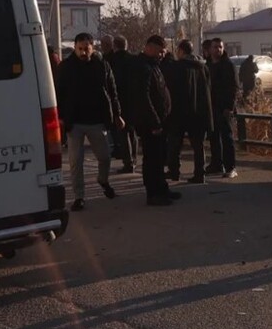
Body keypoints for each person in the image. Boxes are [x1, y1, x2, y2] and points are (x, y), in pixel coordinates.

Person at [57, 33, 123, 211]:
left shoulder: (102, 66)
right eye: (80, 48)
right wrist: (61, 116)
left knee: (104, 157)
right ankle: (79, 196)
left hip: (97, 120)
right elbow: (58, 93)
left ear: (93, 47)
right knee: (75, 162)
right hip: (74, 122)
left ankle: (103, 180)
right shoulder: (66, 67)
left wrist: (117, 114)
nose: (84, 52)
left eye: (87, 48)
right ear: (75, 48)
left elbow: (112, 92)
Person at [126, 35, 180, 206]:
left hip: (159, 121)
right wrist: (154, 121)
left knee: (159, 157)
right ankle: (153, 193)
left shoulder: (153, 66)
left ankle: (162, 188)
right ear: (149, 47)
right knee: (152, 158)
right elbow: (143, 98)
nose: (161, 55)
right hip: (150, 123)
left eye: (163, 52)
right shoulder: (142, 67)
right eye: (159, 51)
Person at [165, 39, 214, 183]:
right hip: (199, 112)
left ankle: (174, 171)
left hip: (179, 112)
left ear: (181, 51)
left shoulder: (176, 67)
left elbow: (171, 90)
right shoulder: (202, 67)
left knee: (175, 143)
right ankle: (200, 173)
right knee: (198, 145)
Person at [206, 37, 239, 178]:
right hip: (211, 106)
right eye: (215, 47)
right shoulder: (207, 65)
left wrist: (230, 106)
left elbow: (234, 87)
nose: (217, 49)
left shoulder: (228, 65)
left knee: (227, 138)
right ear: (210, 49)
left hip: (224, 107)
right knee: (213, 137)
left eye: (220, 47)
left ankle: (231, 167)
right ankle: (216, 164)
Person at [105, 35, 138, 173]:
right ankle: (134, 159)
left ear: (115, 46)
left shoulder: (111, 61)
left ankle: (128, 162)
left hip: (119, 100)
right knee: (132, 132)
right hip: (133, 100)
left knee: (123, 133)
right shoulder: (134, 60)